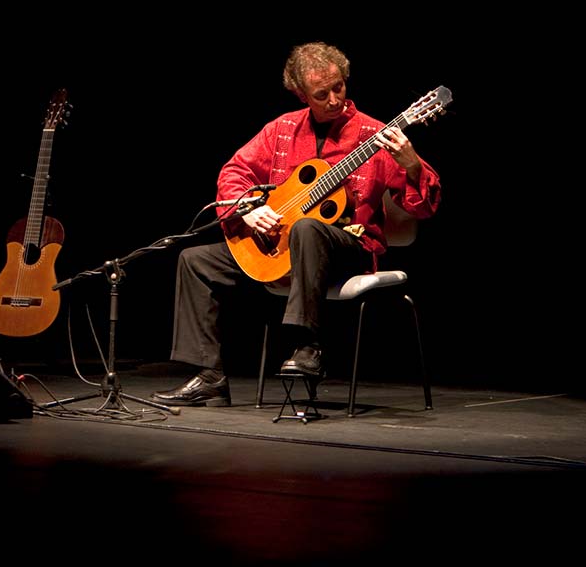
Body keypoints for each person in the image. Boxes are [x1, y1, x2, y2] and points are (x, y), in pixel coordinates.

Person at [153, 42, 442, 406]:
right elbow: (234, 172)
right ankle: (209, 375)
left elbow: (424, 206)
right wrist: (248, 210)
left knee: (307, 228)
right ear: (301, 94)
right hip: (287, 248)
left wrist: (412, 163)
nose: (334, 99)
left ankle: (307, 347)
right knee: (195, 260)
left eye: (339, 87)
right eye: (322, 94)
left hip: (348, 249)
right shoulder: (282, 129)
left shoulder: (375, 135)